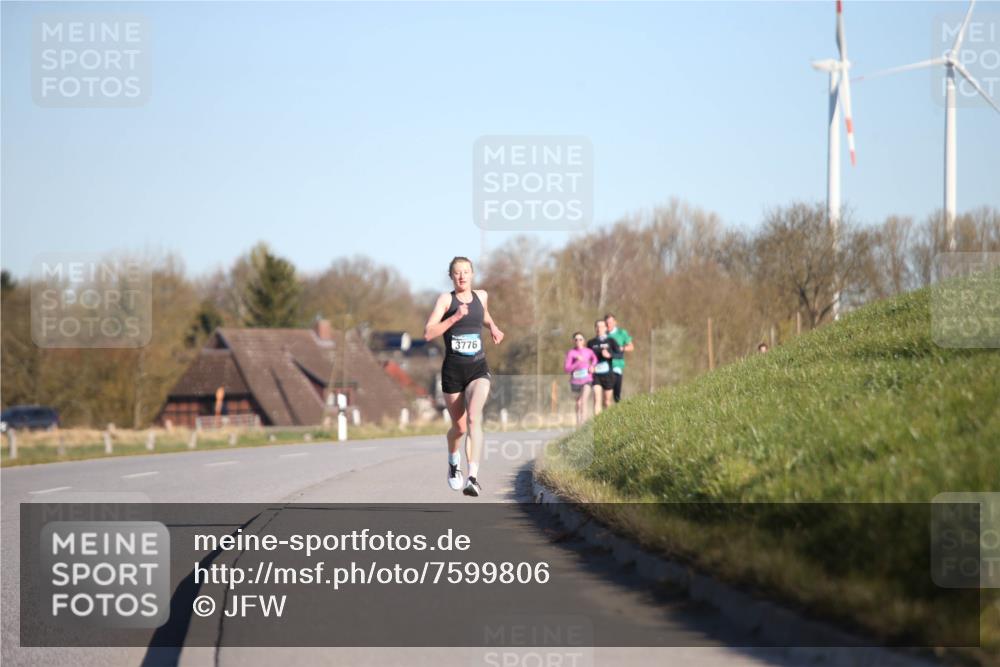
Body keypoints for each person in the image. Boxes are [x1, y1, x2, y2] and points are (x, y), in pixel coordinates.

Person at [424, 256, 504, 497]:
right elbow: (428, 333)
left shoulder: (482, 296)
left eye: (466, 271)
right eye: (457, 272)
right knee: (458, 428)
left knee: (473, 419)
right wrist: (454, 317)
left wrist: (494, 328)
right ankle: (453, 460)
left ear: (472, 274)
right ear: (451, 276)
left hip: (478, 369)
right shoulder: (446, 300)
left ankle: (473, 477)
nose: (462, 276)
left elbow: (485, 315)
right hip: (453, 373)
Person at [587, 319, 621, 416]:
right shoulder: (591, 343)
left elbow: (619, 354)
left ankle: (607, 424)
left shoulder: (611, 341)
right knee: (596, 399)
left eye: (601, 326)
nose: (599, 328)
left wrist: (610, 355)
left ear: (606, 328)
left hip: (608, 374)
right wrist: (589, 366)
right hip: (596, 374)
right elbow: (587, 358)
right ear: (595, 328)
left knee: (607, 402)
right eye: (597, 326)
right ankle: (597, 425)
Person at [563, 332, 597, 426]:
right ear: (573, 341)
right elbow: (566, 369)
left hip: (587, 380)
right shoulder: (571, 353)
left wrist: (592, 366)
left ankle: (583, 424)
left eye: (580, 339)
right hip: (575, 381)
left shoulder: (589, 351)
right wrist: (577, 362)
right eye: (576, 339)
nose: (578, 341)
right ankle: (578, 424)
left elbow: (595, 359)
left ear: (584, 341)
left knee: (583, 401)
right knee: (578, 403)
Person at [604, 313, 634, 403]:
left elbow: (631, 347)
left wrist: (622, 348)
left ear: (615, 322)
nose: (608, 325)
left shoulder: (621, 333)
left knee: (616, 396)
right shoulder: (603, 334)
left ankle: (619, 414)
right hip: (604, 367)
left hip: (617, 366)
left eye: (610, 322)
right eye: (606, 323)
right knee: (605, 398)